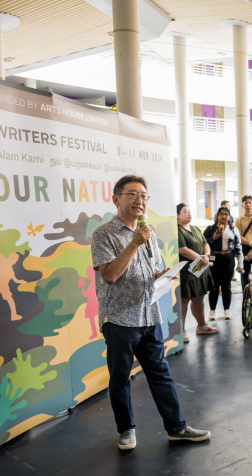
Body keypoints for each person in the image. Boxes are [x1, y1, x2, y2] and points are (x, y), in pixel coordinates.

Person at [91, 175, 210, 450]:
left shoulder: (149, 232)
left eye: (144, 196)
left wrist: (162, 274)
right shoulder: (104, 234)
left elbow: (148, 268)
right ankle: (126, 430)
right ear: (116, 198)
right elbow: (109, 275)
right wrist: (133, 243)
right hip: (120, 318)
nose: (139, 200)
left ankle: (177, 427)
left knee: (160, 373)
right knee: (120, 378)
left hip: (149, 314)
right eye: (132, 194)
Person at [177, 203, 216, 340]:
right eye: (185, 211)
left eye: (189, 211)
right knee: (184, 300)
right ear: (177, 215)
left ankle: (202, 325)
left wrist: (206, 256)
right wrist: (200, 258)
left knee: (199, 297)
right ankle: (180, 331)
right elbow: (182, 249)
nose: (189, 214)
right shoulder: (177, 230)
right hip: (186, 272)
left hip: (200, 269)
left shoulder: (195, 228)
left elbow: (205, 244)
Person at [204, 207, 243, 321]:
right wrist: (213, 238)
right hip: (214, 258)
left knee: (226, 286)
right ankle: (212, 311)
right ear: (217, 216)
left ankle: (227, 310)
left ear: (229, 216)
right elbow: (203, 243)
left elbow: (238, 246)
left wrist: (240, 264)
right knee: (214, 286)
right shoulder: (210, 229)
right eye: (221, 214)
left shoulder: (233, 229)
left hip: (228, 258)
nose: (224, 216)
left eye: (226, 214)